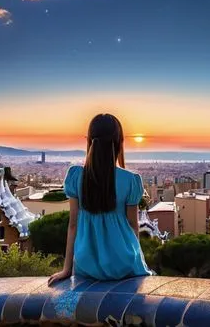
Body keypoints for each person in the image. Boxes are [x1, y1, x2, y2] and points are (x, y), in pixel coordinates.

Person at [48, 114, 151, 285]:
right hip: (123, 263)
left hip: (86, 263)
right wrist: (138, 262)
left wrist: (67, 269)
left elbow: (73, 225)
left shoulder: (75, 176)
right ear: (119, 142)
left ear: (89, 140)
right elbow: (133, 226)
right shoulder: (130, 180)